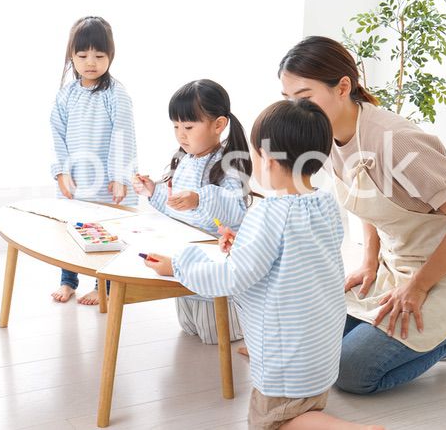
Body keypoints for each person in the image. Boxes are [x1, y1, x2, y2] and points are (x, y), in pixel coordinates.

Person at [277, 36, 446, 393]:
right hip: (398, 264)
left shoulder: (396, 141)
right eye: (288, 99)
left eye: (304, 97)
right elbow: (367, 196)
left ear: (343, 87)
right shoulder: (329, 137)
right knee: (317, 345)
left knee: (351, 372)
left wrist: (419, 286)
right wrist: (369, 261)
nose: (295, 108)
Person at [145, 100, 382, 430]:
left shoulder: (268, 212)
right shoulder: (325, 202)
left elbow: (232, 278)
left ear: (267, 161)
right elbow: (293, 257)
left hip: (287, 355)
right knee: (303, 411)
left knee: (272, 422)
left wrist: (181, 264)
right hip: (320, 346)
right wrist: (242, 241)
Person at [133, 79, 250, 344]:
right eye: (175, 126)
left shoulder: (228, 162)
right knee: (190, 321)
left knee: (215, 329)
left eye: (188, 126)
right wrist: (153, 191)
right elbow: (177, 206)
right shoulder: (185, 160)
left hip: (213, 255)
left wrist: (199, 198)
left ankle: (237, 328)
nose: (180, 134)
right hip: (186, 253)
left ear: (218, 125)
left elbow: (235, 209)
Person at [49, 16, 137, 305]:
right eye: (82, 55)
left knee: (107, 235)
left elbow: (123, 136)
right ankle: (68, 280)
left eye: (99, 55)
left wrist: (120, 177)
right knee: (71, 231)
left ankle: (106, 287)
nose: (91, 62)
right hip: (77, 179)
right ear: (71, 56)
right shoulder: (66, 95)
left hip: (108, 182)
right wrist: (61, 171)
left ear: (110, 56)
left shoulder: (116, 94)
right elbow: (57, 134)